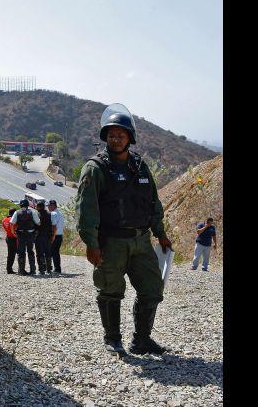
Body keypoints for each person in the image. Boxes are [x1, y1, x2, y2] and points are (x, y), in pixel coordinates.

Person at [74, 103, 173, 356]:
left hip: (141, 240)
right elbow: (86, 209)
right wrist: (91, 243)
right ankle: (113, 338)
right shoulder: (95, 168)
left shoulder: (140, 166)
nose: (115, 139)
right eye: (111, 134)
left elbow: (153, 202)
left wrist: (160, 233)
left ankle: (141, 340)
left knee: (152, 290)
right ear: (105, 137)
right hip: (111, 243)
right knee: (110, 291)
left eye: (121, 134)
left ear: (130, 137)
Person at [11, 199, 40, 275]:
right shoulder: (32, 212)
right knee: (30, 252)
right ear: (27, 205)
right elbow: (38, 223)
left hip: (20, 234)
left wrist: (13, 232)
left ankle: (21, 270)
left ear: (20, 205)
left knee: (21, 253)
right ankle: (32, 270)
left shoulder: (17, 212)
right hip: (30, 235)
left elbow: (11, 223)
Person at [34, 201, 53, 275]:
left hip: (39, 236)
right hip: (47, 236)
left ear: (39, 207)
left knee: (39, 253)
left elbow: (35, 225)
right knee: (48, 253)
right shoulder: (49, 214)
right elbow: (52, 225)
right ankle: (49, 269)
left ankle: (41, 270)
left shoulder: (37, 215)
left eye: (37, 206)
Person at [48, 200, 64, 273]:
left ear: (52, 205)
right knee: (55, 252)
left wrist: (52, 236)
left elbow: (54, 226)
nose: (48, 207)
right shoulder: (60, 214)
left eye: (49, 205)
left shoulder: (53, 214)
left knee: (51, 252)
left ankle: (52, 268)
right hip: (60, 236)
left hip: (54, 235)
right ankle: (56, 268)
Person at [1, 208, 18, 274]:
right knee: (19, 253)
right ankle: (21, 269)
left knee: (10, 254)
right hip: (14, 238)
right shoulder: (13, 220)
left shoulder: (4, 220)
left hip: (8, 237)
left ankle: (9, 269)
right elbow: (16, 227)